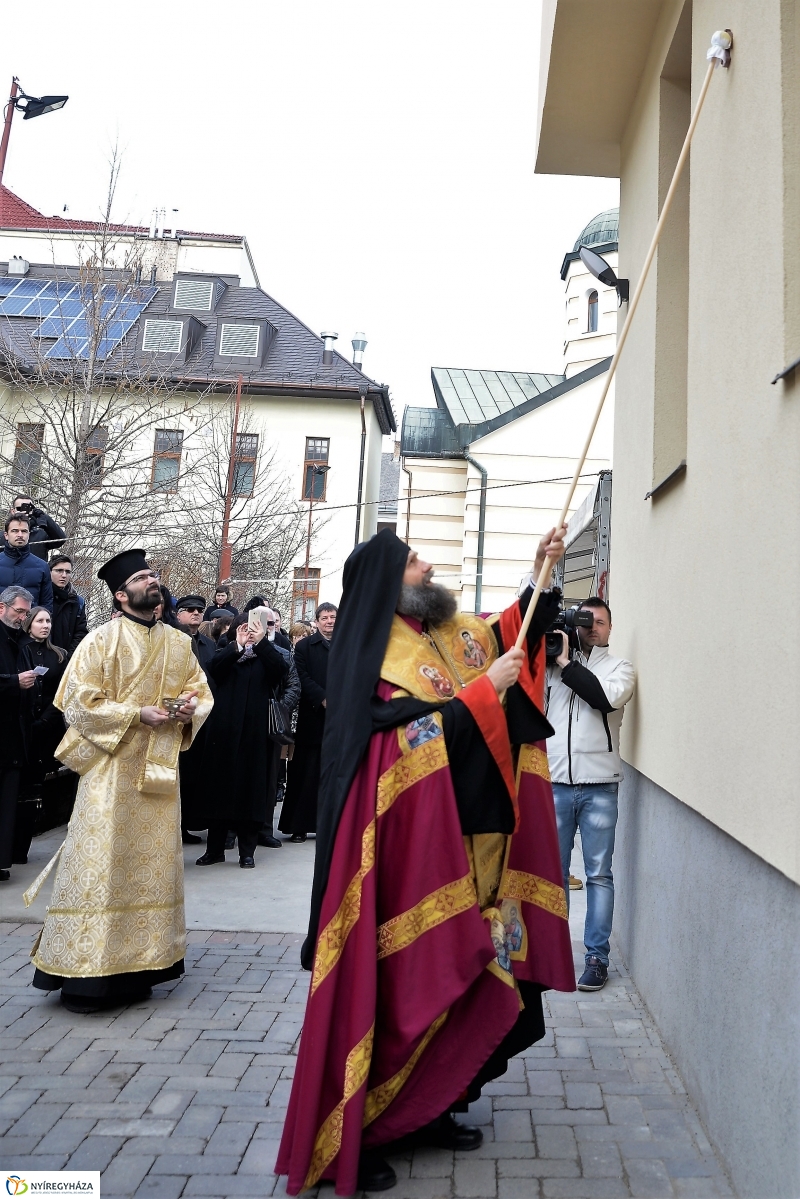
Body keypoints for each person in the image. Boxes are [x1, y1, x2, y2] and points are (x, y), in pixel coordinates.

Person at [275, 529, 575, 1195]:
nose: (429, 565)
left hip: (469, 842)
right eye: (415, 561)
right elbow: (399, 742)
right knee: (403, 982)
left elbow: (508, 635)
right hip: (406, 855)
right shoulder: (375, 651)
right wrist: (482, 694)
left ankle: (433, 1104)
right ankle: (367, 1128)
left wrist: (541, 572)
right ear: (388, 581)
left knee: (460, 970)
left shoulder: (448, 630)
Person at [29, 548, 214, 1013]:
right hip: (110, 774)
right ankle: (87, 977)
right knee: (102, 867)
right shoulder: (100, 640)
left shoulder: (179, 643)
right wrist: (135, 714)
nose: (152, 580)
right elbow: (77, 702)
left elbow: (199, 690)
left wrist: (190, 708)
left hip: (158, 774)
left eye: (153, 574)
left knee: (150, 869)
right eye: (142, 577)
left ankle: (139, 969)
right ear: (121, 594)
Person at [546, 597, 636, 992]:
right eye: (585, 620)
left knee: (598, 874)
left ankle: (597, 958)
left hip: (600, 785)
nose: (592, 626)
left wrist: (567, 664)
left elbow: (603, 698)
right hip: (554, 783)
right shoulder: (551, 665)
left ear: (610, 628)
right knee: (554, 876)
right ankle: (553, 956)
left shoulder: (620, 668)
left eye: (600, 621)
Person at [197, 609, 288, 868]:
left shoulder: (267, 654)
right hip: (224, 732)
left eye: (255, 629)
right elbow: (213, 670)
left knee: (251, 791)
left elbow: (280, 672)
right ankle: (215, 849)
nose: (250, 634)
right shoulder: (226, 651)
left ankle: (247, 852)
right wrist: (237, 646)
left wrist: (260, 643)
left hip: (255, 734)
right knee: (219, 791)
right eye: (245, 629)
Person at [279, 602, 336, 843]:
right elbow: (300, 676)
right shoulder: (304, 646)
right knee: (305, 773)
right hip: (312, 717)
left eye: (333, 617)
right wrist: (322, 697)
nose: (330, 621)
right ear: (317, 621)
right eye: (325, 618)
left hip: (339, 719)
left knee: (332, 775)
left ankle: (329, 825)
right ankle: (299, 826)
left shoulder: (347, 644)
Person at [15, 607, 68, 864]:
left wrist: (46, 720)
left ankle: (21, 849)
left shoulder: (59, 656)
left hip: (47, 728)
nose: (45, 625)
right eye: (40, 621)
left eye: (48, 621)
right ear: (29, 624)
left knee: (34, 789)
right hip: (20, 728)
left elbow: (62, 692)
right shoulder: (19, 650)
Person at [174, 595, 217, 846]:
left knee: (196, 774)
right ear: (178, 614)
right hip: (176, 718)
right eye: (189, 609)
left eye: (200, 610)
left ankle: (189, 823)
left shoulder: (209, 644)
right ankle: (176, 827)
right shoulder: (172, 640)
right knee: (178, 774)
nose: (196, 613)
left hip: (203, 717)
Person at [0, 585, 34, 882]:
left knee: (7, 803)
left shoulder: (20, 641)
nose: (22, 618)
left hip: (12, 737)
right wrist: (14, 682)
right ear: (2, 607)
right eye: (19, 611)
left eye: (26, 613)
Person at [0, 515, 53, 611]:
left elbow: (46, 604)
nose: (20, 535)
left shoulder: (42, 566)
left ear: (29, 534)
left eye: (24, 531)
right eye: (15, 531)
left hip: (29, 619)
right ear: (6, 535)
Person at [49, 554, 88, 658]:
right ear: (49, 572)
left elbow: (80, 633)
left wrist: (68, 658)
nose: (64, 575)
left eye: (68, 572)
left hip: (66, 659)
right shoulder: (40, 597)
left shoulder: (77, 602)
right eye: (59, 571)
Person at [7, 496, 66, 562]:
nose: (24, 512)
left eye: (28, 508)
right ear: (13, 511)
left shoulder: (41, 533)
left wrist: (44, 517)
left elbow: (60, 540)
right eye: (20, 508)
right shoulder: (4, 536)